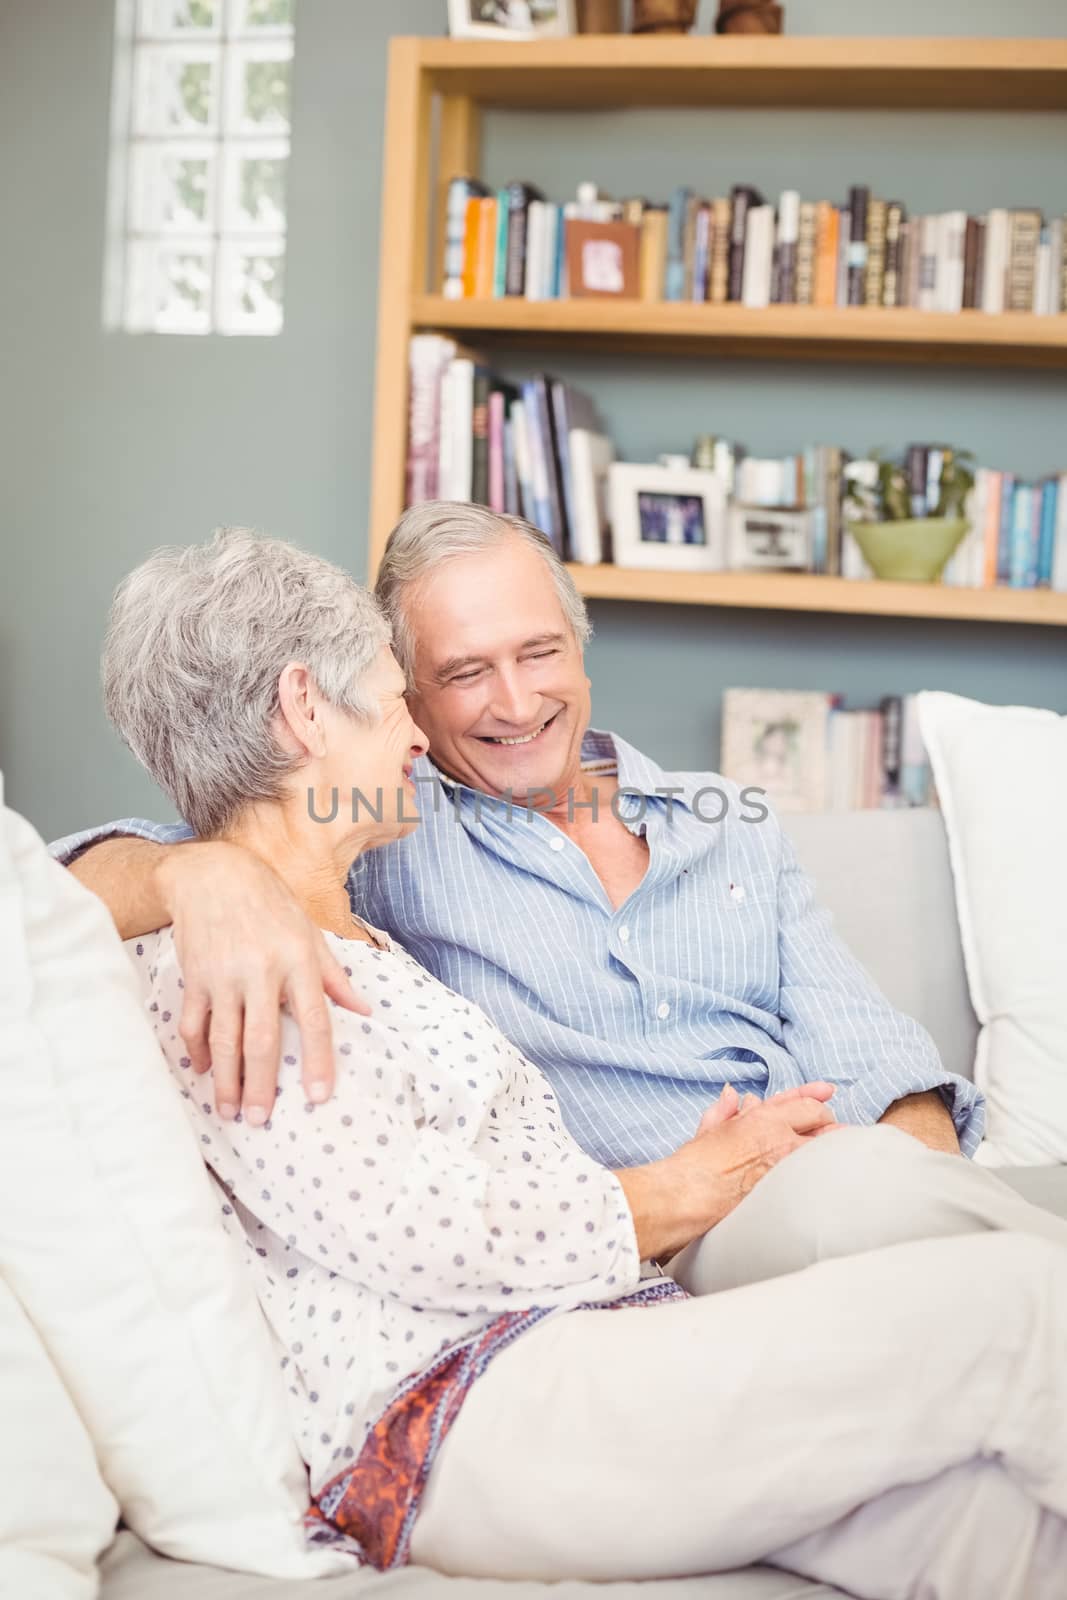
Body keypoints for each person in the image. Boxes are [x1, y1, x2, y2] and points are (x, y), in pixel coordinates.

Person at [83, 528, 1067, 1598]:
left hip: (610, 1295)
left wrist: (872, 1168)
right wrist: (200, 877)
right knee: (1006, 1301)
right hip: (470, 1381)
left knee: (983, 1519)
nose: (475, 711)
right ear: (310, 708)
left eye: (536, 651)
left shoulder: (706, 823)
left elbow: (860, 1039)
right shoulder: (282, 924)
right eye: (431, 683)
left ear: (578, 647)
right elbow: (68, 888)